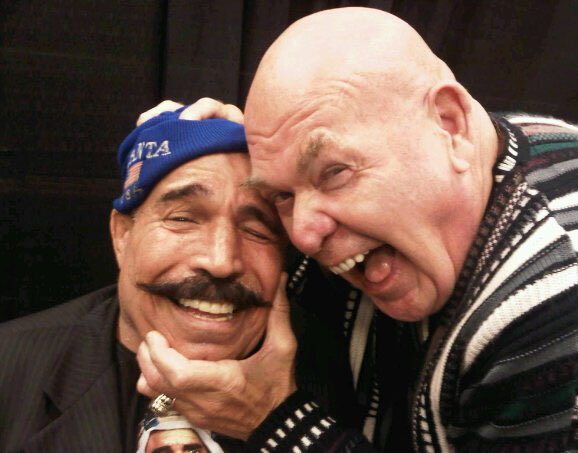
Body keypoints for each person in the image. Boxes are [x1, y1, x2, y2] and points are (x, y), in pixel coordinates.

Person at [136, 7, 578, 452]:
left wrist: (272, 420)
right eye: (283, 196)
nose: (303, 237)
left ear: (450, 123)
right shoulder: (462, 149)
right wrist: (235, 157)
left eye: (334, 172)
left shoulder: (563, 308)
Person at [0, 109, 359, 451]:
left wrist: (276, 418)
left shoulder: (346, 379)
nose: (221, 261)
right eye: (183, 219)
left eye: (257, 230)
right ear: (122, 235)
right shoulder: (10, 369)